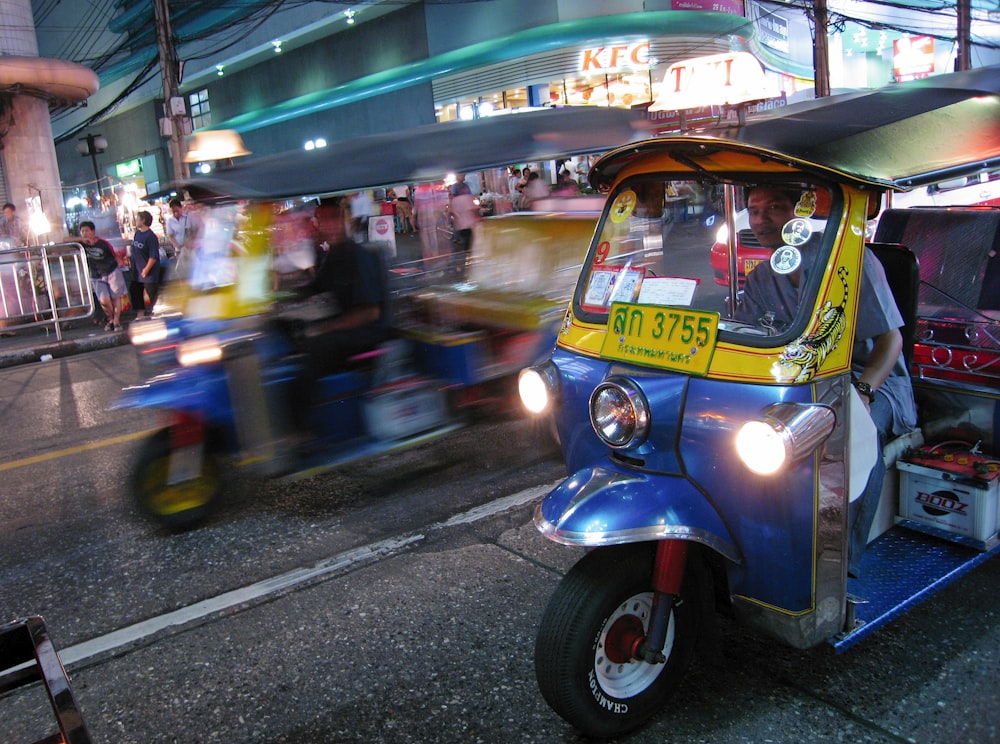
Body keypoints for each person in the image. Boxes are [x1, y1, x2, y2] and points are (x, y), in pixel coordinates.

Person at [735, 185, 917, 578]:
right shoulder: (763, 276)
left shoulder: (852, 261)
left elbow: (891, 341)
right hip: (802, 381)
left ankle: (839, 564)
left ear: (799, 213)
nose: (762, 219)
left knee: (852, 435)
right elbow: (752, 339)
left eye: (775, 206)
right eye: (754, 211)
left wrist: (864, 393)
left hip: (871, 378)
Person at [289, 201, 390, 435]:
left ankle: (300, 432)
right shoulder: (332, 255)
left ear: (345, 219)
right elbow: (316, 289)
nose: (329, 225)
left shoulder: (359, 257)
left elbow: (370, 312)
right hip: (345, 326)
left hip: (368, 333)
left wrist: (324, 328)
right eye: (323, 220)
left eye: (334, 218)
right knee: (292, 331)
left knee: (318, 346)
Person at [80, 221, 126, 331]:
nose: (84, 233)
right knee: (104, 301)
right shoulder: (81, 244)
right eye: (82, 231)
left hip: (111, 272)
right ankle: (111, 319)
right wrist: (80, 240)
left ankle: (116, 321)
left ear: (93, 231)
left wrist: (120, 262)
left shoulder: (103, 243)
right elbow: (64, 240)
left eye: (87, 230)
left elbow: (114, 256)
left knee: (116, 298)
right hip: (96, 275)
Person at [129, 210, 161, 319]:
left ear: (143, 220)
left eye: (138, 219)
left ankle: (157, 311)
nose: (136, 221)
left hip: (148, 272)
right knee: (136, 292)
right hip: (137, 270)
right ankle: (140, 314)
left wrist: (146, 269)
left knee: (152, 292)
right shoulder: (137, 233)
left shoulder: (151, 236)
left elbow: (153, 256)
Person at [448, 174, 479, 276]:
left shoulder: (457, 199)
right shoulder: (464, 197)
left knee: (463, 244)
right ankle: (467, 265)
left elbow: (452, 211)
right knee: (467, 244)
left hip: (463, 224)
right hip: (466, 224)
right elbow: (474, 208)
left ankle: (462, 265)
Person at [164, 197, 202, 280]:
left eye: (177, 210)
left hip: (192, 249)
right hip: (180, 250)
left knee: (194, 269)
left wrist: (192, 240)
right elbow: (170, 235)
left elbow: (197, 228)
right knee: (182, 271)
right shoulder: (170, 220)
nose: (175, 213)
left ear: (181, 208)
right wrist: (177, 246)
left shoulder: (189, 216)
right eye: (173, 211)